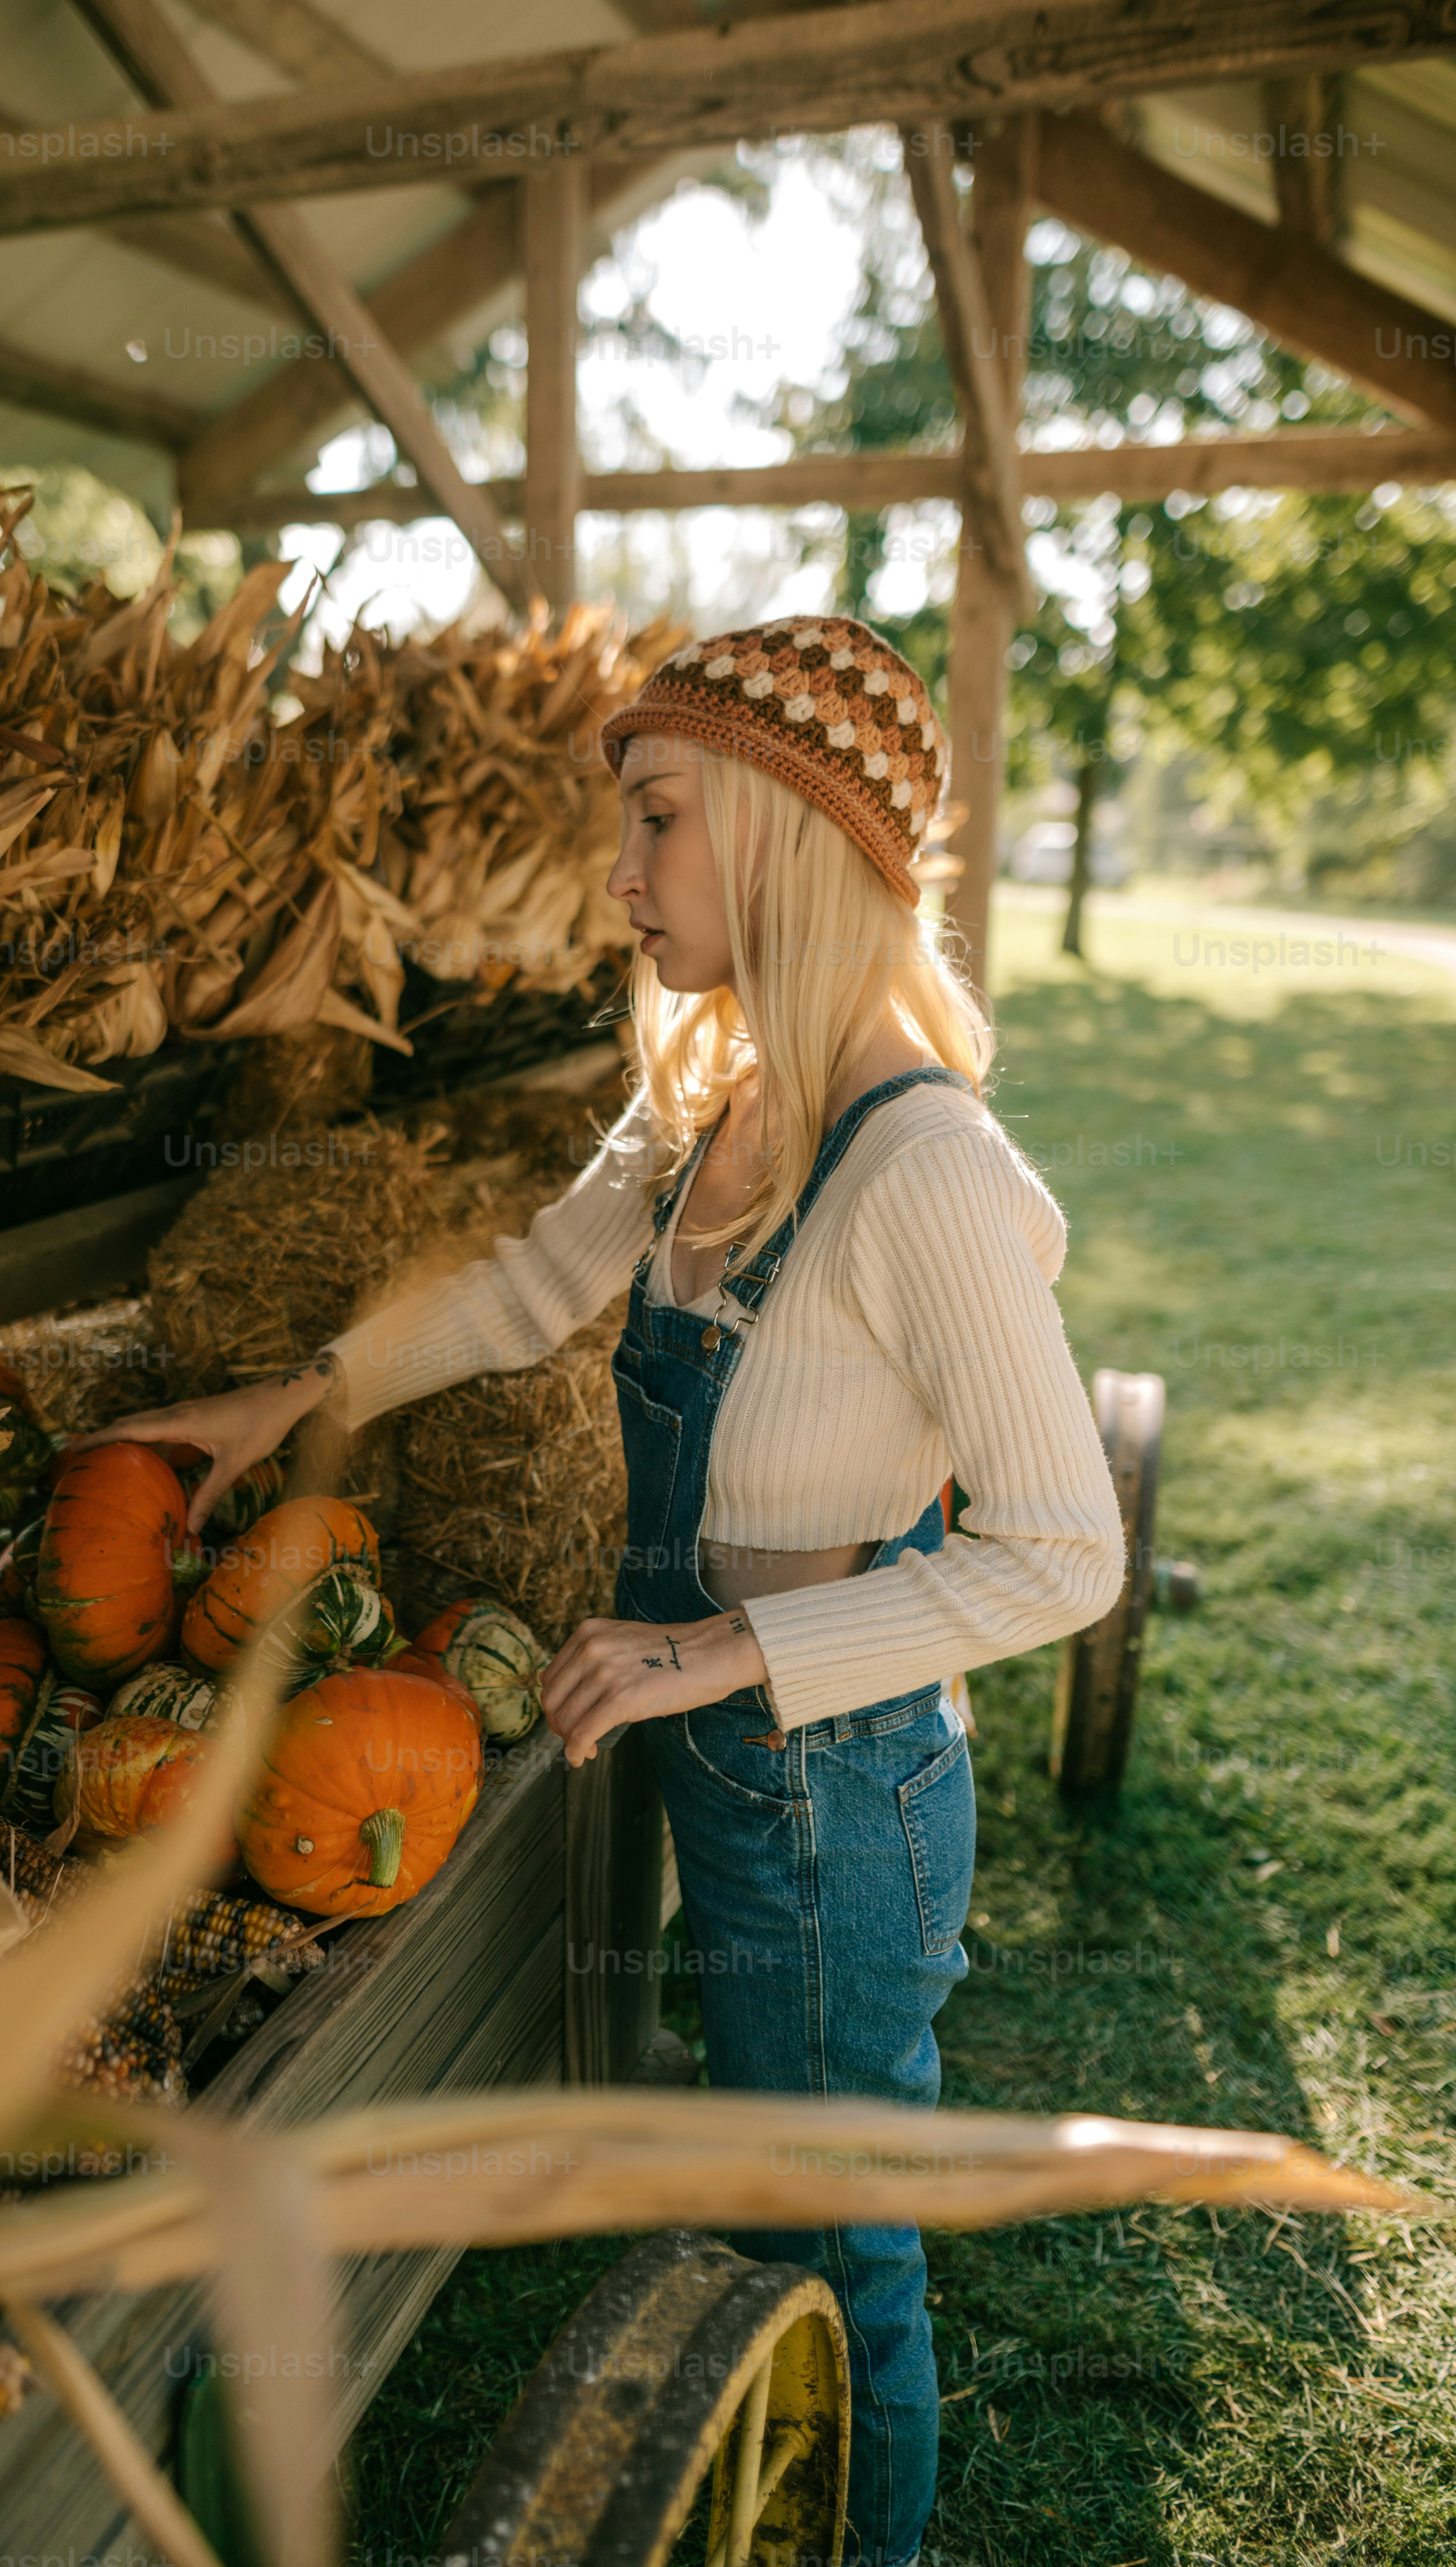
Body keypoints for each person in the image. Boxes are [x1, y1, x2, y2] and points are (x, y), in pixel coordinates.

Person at [97, 613, 1125, 2567]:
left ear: (791, 837)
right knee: (760, 2184)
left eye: (659, 819)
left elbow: (1063, 1551)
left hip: (839, 1796)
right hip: (727, 1761)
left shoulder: (926, 1178)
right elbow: (518, 1295)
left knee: (843, 2227)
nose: (619, 872)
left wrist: (725, 1646)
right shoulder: (709, 1100)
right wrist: (288, 1403)